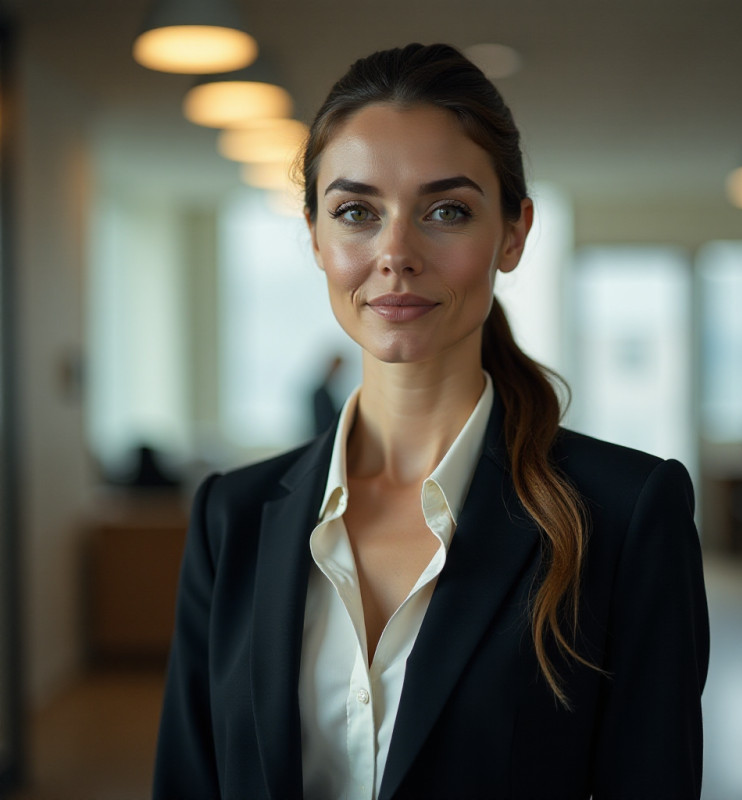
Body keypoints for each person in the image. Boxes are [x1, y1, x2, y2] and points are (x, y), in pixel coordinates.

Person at [153, 43, 709, 800]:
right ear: (315, 236)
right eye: (356, 211)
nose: (396, 253)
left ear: (513, 234)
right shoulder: (233, 517)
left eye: (446, 211)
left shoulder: (625, 512)